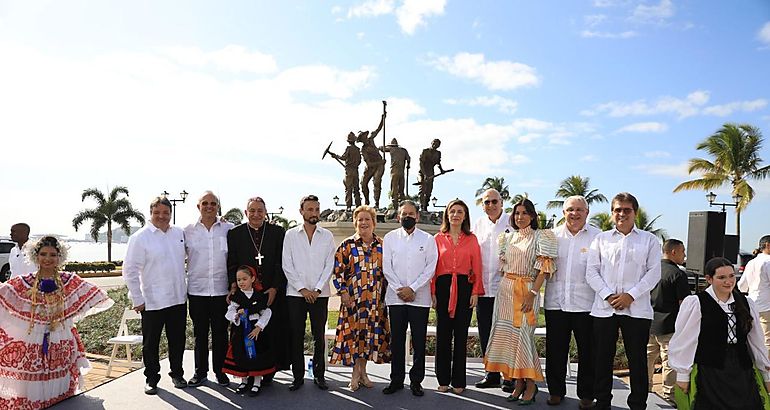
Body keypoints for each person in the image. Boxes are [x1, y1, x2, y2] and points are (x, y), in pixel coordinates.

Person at [0, 236, 113, 408]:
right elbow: (4, 293)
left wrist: (70, 314)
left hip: (61, 338)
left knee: (59, 383)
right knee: (33, 377)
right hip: (33, 339)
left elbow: (97, 295)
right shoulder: (25, 282)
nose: (47, 259)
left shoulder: (69, 280)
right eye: (43, 254)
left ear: (59, 257)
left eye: (52, 255)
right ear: (35, 256)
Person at [586, 192, 662, 410]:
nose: (622, 214)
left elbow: (653, 273)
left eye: (626, 210)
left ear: (635, 213)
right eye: (617, 209)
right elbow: (591, 272)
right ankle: (602, 402)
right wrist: (608, 295)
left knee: (637, 360)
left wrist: (631, 295)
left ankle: (638, 404)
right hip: (604, 308)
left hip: (636, 309)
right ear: (612, 213)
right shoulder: (600, 239)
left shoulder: (649, 240)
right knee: (602, 358)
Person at [669, 257, 770, 409]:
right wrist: (683, 374)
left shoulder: (746, 302)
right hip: (710, 370)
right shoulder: (696, 303)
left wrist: (766, 373)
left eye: (731, 276)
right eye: (721, 277)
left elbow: (756, 341)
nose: (729, 281)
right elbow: (685, 341)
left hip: (741, 369)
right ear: (709, 279)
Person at [484, 198, 557, 405]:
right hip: (506, 291)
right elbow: (503, 266)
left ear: (532, 216)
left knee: (524, 337)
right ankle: (518, 383)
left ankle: (531, 385)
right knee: (510, 339)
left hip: (527, 290)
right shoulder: (507, 238)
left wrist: (532, 293)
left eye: (524, 213)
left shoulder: (542, 236)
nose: (520, 217)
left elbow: (544, 269)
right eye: (517, 213)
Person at [123, 196, 189, 395]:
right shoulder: (140, 237)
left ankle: (177, 373)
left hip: (177, 298)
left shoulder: (179, 233)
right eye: (157, 212)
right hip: (152, 301)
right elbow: (130, 270)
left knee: (178, 340)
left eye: (166, 213)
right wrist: (137, 299)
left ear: (171, 213)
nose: (162, 216)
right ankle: (152, 378)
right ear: (150, 213)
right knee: (151, 343)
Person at [544, 195, 600, 408]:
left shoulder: (598, 237)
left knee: (588, 352)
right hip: (555, 303)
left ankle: (587, 395)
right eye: (570, 209)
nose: (574, 214)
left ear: (587, 212)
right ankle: (556, 392)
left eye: (579, 209)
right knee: (555, 350)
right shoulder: (552, 236)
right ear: (563, 212)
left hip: (586, 304)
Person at [227, 197, 289, 386]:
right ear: (246, 213)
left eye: (260, 211)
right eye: (252, 211)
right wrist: (233, 286)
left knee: (270, 331)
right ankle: (245, 372)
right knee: (245, 332)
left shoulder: (277, 232)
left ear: (265, 212)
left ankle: (268, 373)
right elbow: (232, 262)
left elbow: (281, 262)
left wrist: (275, 287)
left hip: (270, 292)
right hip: (245, 293)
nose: (256, 214)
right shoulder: (235, 234)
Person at [330, 205, 391, 391]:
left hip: (374, 302)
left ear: (374, 223)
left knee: (368, 338)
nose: (363, 223)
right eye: (360, 220)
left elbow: (389, 272)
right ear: (355, 223)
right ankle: (355, 374)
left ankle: (363, 373)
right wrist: (343, 292)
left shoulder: (382, 245)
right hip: (353, 301)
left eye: (367, 219)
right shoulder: (347, 245)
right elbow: (337, 271)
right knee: (354, 338)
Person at [381, 200, 438, 397]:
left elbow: (430, 268)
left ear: (418, 216)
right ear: (398, 217)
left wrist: (412, 288)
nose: (408, 217)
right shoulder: (389, 238)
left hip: (419, 298)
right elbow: (387, 267)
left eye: (411, 214)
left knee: (419, 341)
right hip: (396, 298)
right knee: (396, 340)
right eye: (404, 214)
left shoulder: (428, 239)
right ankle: (396, 380)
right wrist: (400, 289)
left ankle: (416, 381)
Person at [282, 195, 336, 391]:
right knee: (296, 335)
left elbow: (330, 264)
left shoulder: (327, 236)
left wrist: (318, 288)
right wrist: (303, 289)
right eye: (310, 209)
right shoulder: (290, 235)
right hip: (296, 294)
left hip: (320, 294)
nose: (314, 213)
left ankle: (320, 376)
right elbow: (287, 265)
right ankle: (297, 377)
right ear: (301, 211)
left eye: (316, 209)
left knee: (318, 336)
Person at [432, 199, 484, 394]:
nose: (455, 215)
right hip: (443, 287)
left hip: (464, 287)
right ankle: (443, 379)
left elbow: (477, 266)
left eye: (459, 212)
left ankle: (459, 381)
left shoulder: (472, 239)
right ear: (447, 214)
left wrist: (476, 292)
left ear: (465, 216)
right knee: (443, 334)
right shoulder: (437, 238)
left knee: (461, 335)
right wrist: (433, 293)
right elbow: (432, 268)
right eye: (452, 211)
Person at [184, 191, 234, 387]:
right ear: (198, 207)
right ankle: (200, 372)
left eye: (213, 203)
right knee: (200, 334)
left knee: (221, 334)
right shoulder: (187, 231)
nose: (209, 206)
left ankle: (221, 372)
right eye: (205, 203)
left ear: (218, 206)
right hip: (197, 291)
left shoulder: (229, 229)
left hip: (222, 292)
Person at [472, 189, 511, 390]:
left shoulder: (512, 222)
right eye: (487, 202)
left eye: (494, 201)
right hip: (484, 289)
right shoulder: (478, 224)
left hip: (507, 289)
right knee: (485, 333)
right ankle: (491, 374)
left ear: (502, 202)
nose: (491, 205)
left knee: (506, 333)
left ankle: (510, 376)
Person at [646, 238, 690, 403]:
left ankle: (645, 390)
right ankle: (669, 396)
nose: (684, 255)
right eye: (682, 251)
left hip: (649, 322)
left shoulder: (650, 270)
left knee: (647, 358)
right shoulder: (678, 274)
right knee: (669, 362)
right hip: (669, 324)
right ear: (674, 252)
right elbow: (684, 304)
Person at [221, 265, 275, 397]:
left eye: (244, 279)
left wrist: (259, 327)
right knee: (241, 354)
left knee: (256, 354)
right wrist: (236, 316)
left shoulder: (260, 296)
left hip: (255, 331)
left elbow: (267, 311)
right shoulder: (236, 297)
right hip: (240, 331)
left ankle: (257, 382)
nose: (241, 282)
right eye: (238, 280)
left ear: (253, 279)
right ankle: (244, 381)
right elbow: (229, 312)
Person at [737, 235, 770, 353]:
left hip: (752, 304)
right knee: (767, 340)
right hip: (767, 307)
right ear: (767, 245)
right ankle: (766, 369)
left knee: (753, 339)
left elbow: (742, 286)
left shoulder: (751, 262)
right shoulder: (768, 262)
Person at [358, 113, 386, 209]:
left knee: (376, 181)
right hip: (372, 166)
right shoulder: (363, 150)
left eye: (364, 136)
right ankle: (366, 200)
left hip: (379, 165)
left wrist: (383, 118)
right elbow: (369, 163)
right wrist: (380, 162)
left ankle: (376, 202)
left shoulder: (371, 139)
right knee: (363, 183)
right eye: (362, 138)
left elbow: (379, 129)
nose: (365, 139)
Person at [330, 133, 362, 210]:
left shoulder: (349, 148)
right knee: (356, 189)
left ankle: (348, 206)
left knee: (348, 189)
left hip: (349, 170)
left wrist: (336, 156)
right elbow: (359, 161)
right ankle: (358, 206)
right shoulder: (357, 149)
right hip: (355, 170)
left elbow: (343, 157)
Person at [381, 138, 411, 210]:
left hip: (394, 172)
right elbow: (409, 159)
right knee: (401, 189)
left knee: (394, 189)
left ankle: (395, 207)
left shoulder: (391, 149)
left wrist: (384, 146)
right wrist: (408, 165)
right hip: (401, 172)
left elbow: (381, 149)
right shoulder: (403, 150)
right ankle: (403, 206)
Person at [418, 139, 445, 211]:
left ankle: (425, 206)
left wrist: (441, 170)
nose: (435, 145)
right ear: (431, 143)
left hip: (431, 172)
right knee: (422, 189)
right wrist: (424, 174)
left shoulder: (438, 153)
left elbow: (438, 163)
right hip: (422, 172)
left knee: (429, 191)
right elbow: (421, 163)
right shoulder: (425, 151)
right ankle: (421, 205)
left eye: (437, 144)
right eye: (434, 143)